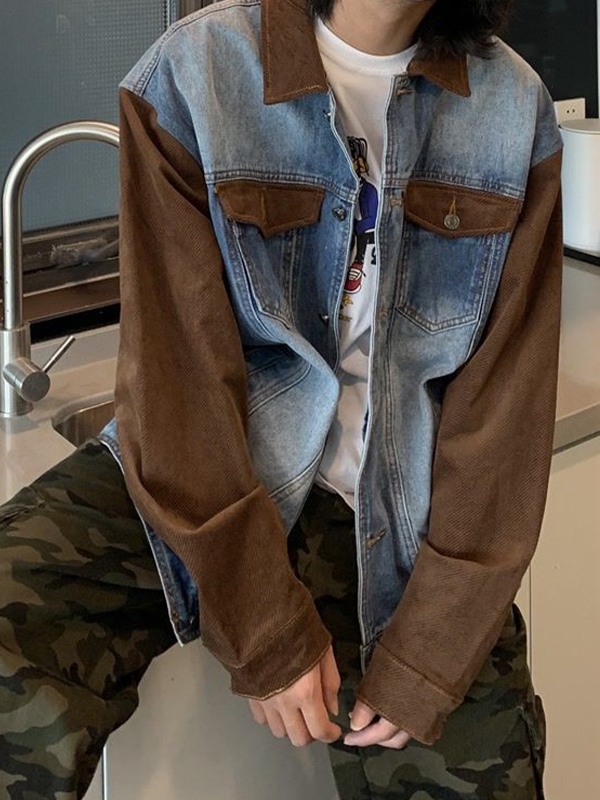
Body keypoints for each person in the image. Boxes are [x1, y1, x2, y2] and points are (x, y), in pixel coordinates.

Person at [0, 0, 563, 796]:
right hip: (212, 472)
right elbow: (177, 382)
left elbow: (504, 419)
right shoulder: (195, 72)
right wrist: (264, 627)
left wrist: (430, 656)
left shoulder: (514, 108)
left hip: (411, 516)